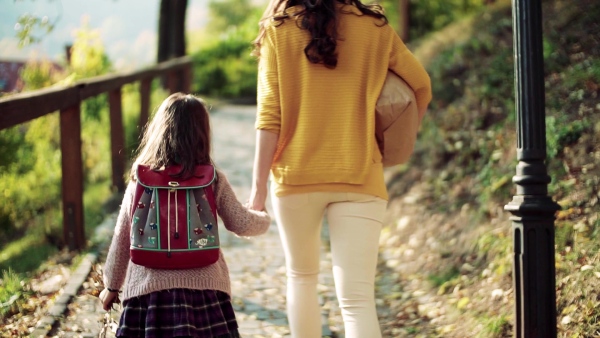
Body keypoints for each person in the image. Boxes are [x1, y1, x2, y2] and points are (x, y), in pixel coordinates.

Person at [248, 0, 432, 337]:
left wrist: (257, 189)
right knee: (358, 300)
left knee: (301, 278)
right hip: (361, 174)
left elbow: (269, 116)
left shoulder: (278, 29)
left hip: (295, 176)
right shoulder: (374, 27)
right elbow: (420, 85)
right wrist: (393, 140)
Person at [99, 92, 271, 338]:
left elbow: (121, 239)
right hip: (205, 292)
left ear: (159, 131)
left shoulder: (141, 182)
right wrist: (264, 218)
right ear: (202, 135)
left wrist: (112, 287)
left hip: (149, 295)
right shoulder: (211, 180)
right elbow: (241, 223)